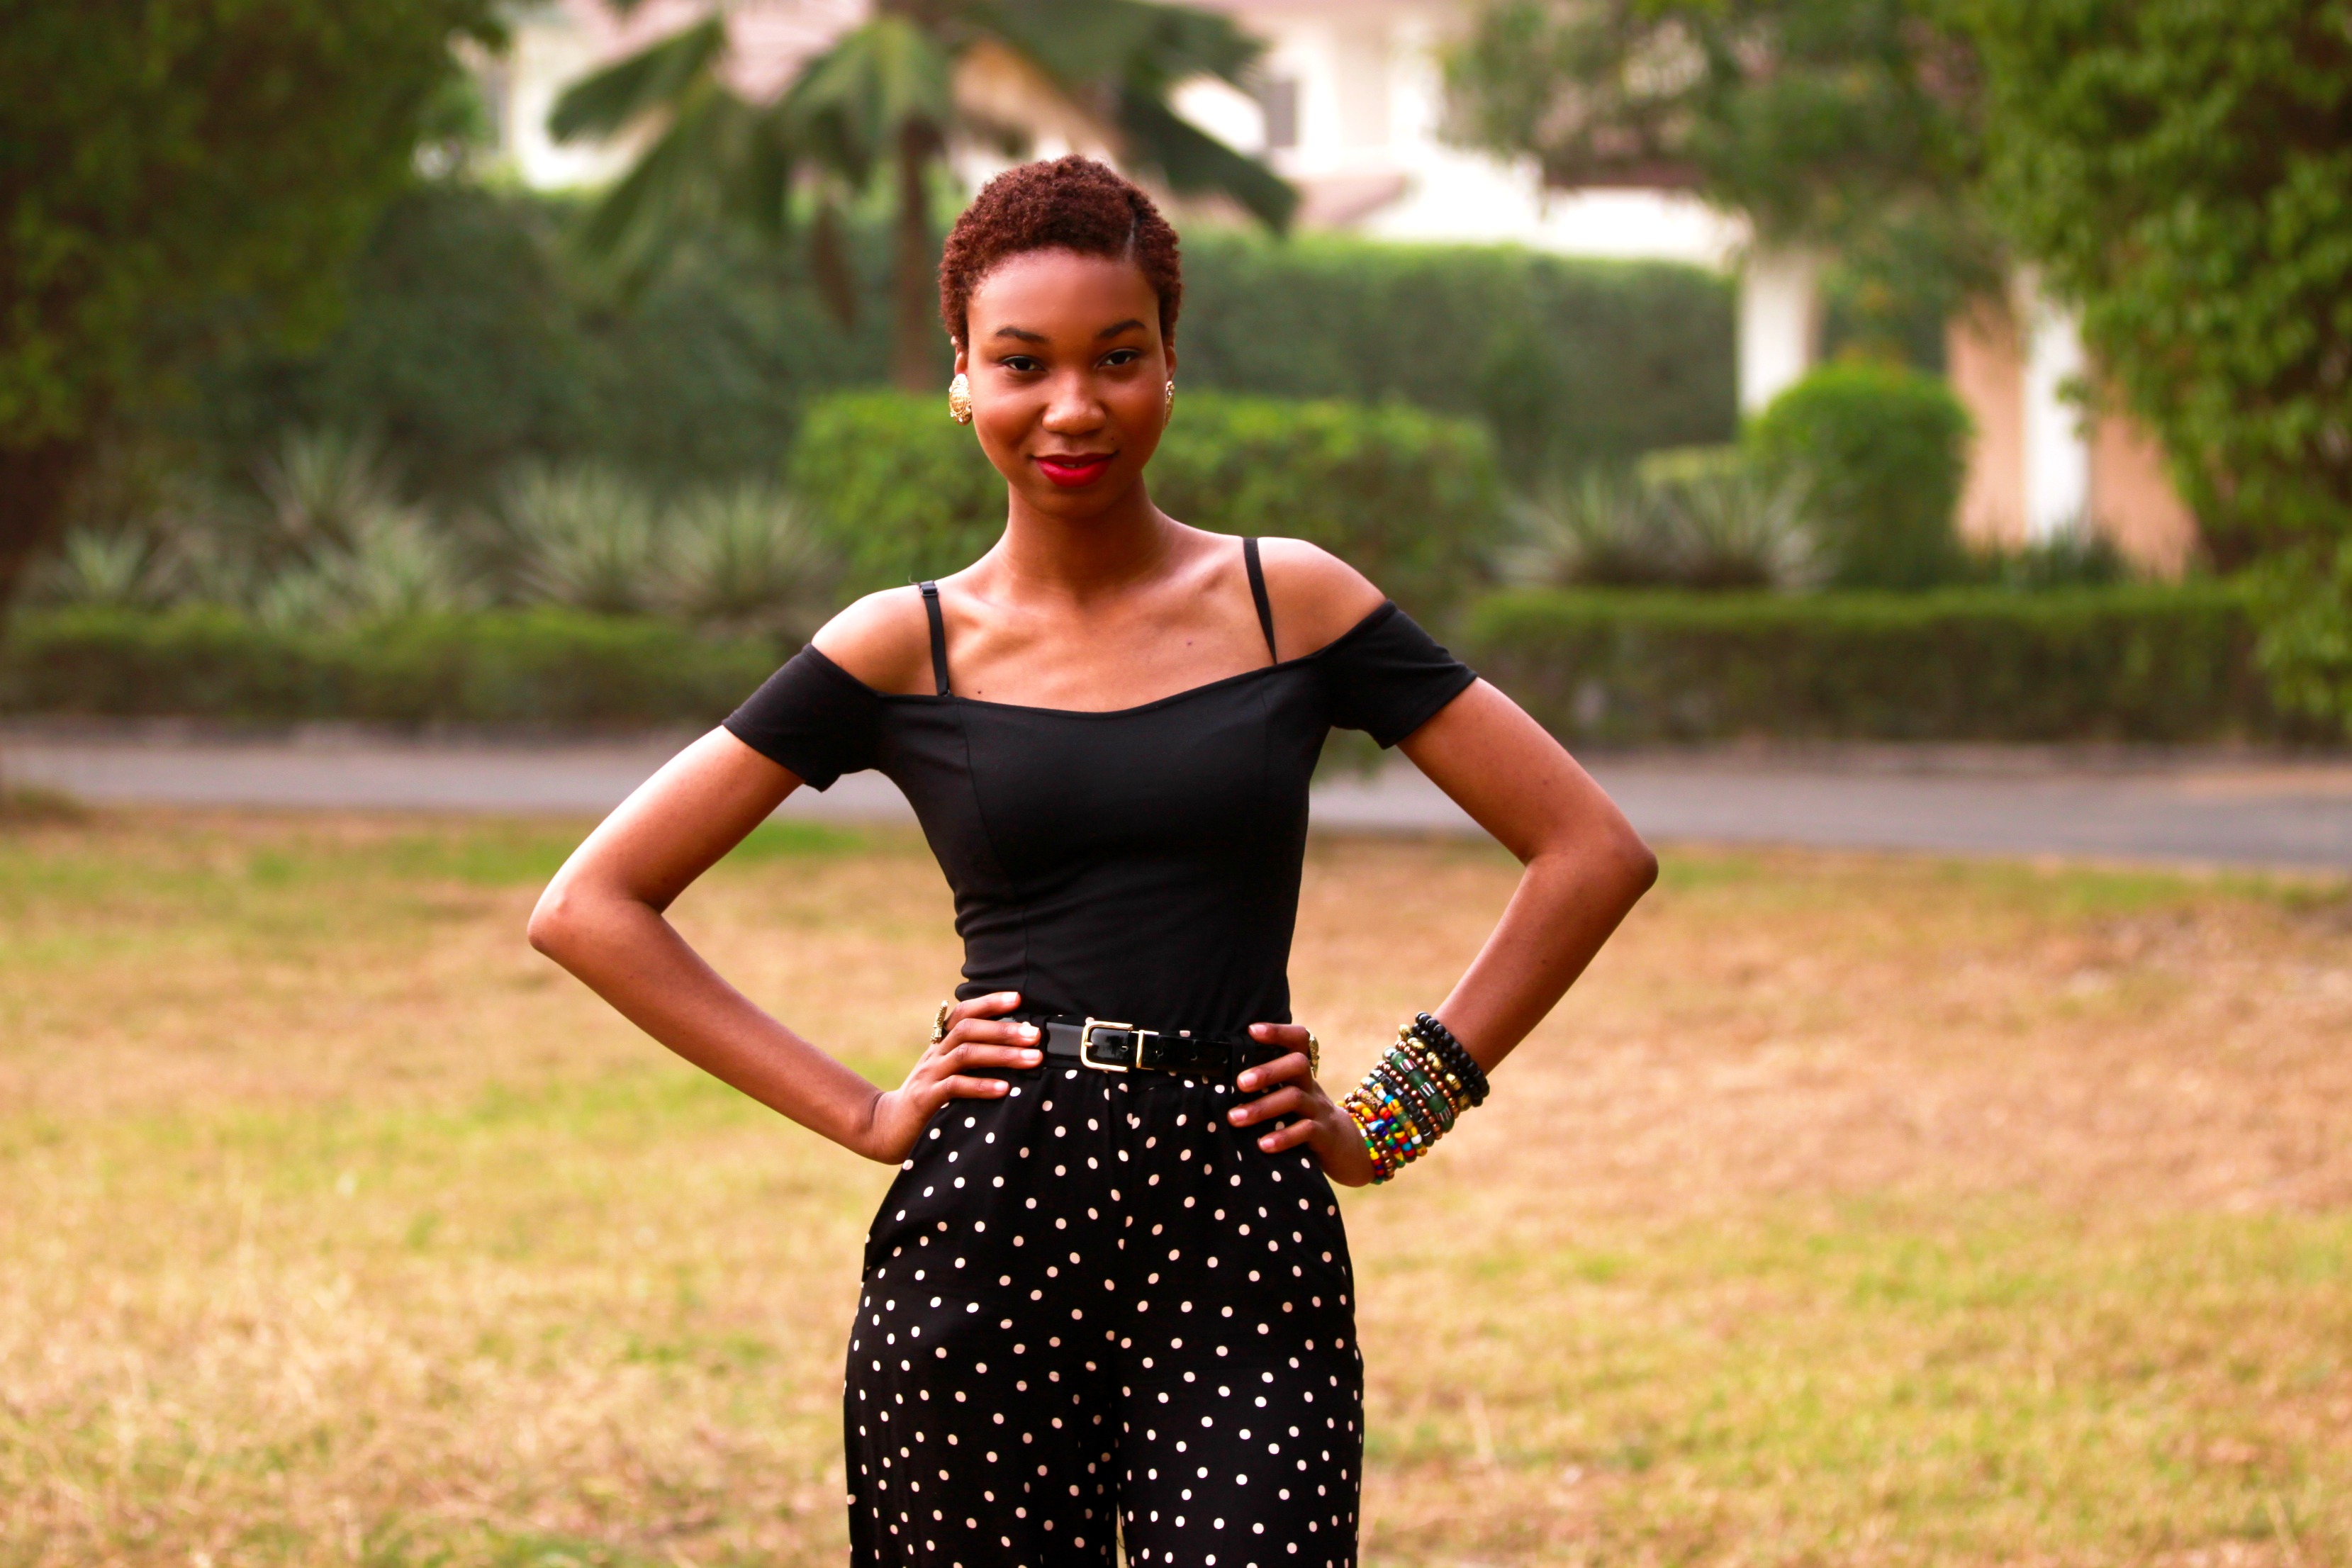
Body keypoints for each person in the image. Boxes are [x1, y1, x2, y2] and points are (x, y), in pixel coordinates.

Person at [528, 155, 1657, 1568]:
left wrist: (1393, 1115)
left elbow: (1589, 850)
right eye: (1024, 363)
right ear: (962, 378)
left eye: (1117, 357)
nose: (1073, 406)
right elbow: (590, 906)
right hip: (989, 1228)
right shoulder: (900, 644)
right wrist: (866, 1113)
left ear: (1171, 364)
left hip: (1240, 1224)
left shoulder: (1290, 603)